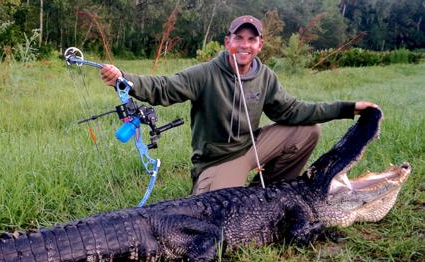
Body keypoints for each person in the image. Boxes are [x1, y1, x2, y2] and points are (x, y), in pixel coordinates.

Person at [100, 15, 379, 195]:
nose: (244, 45)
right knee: (214, 210)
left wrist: (347, 108)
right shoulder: (205, 73)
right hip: (218, 160)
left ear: (259, 44)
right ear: (228, 41)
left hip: (252, 148)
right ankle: (217, 187)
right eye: (238, 38)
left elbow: (294, 111)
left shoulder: (265, 76)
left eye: (251, 39)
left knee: (309, 131)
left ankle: (266, 191)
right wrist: (123, 78)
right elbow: (163, 88)